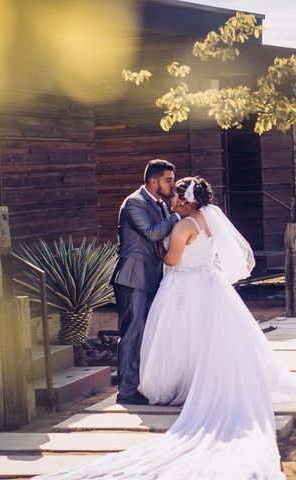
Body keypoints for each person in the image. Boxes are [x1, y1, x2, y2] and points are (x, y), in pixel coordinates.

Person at [33, 176, 296, 479]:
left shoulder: (182, 225)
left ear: (188, 200)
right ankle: (195, 382)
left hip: (183, 286)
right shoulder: (207, 218)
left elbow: (174, 260)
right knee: (205, 339)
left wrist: (160, 251)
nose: (172, 200)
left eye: (177, 195)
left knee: (179, 339)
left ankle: (183, 386)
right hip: (209, 283)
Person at [110, 159, 196, 405]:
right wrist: (178, 214)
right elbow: (152, 232)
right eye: (168, 180)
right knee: (132, 334)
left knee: (148, 334)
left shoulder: (160, 204)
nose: (173, 184)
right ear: (153, 181)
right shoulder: (134, 203)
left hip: (152, 278)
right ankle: (126, 392)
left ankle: (142, 384)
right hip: (132, 278)